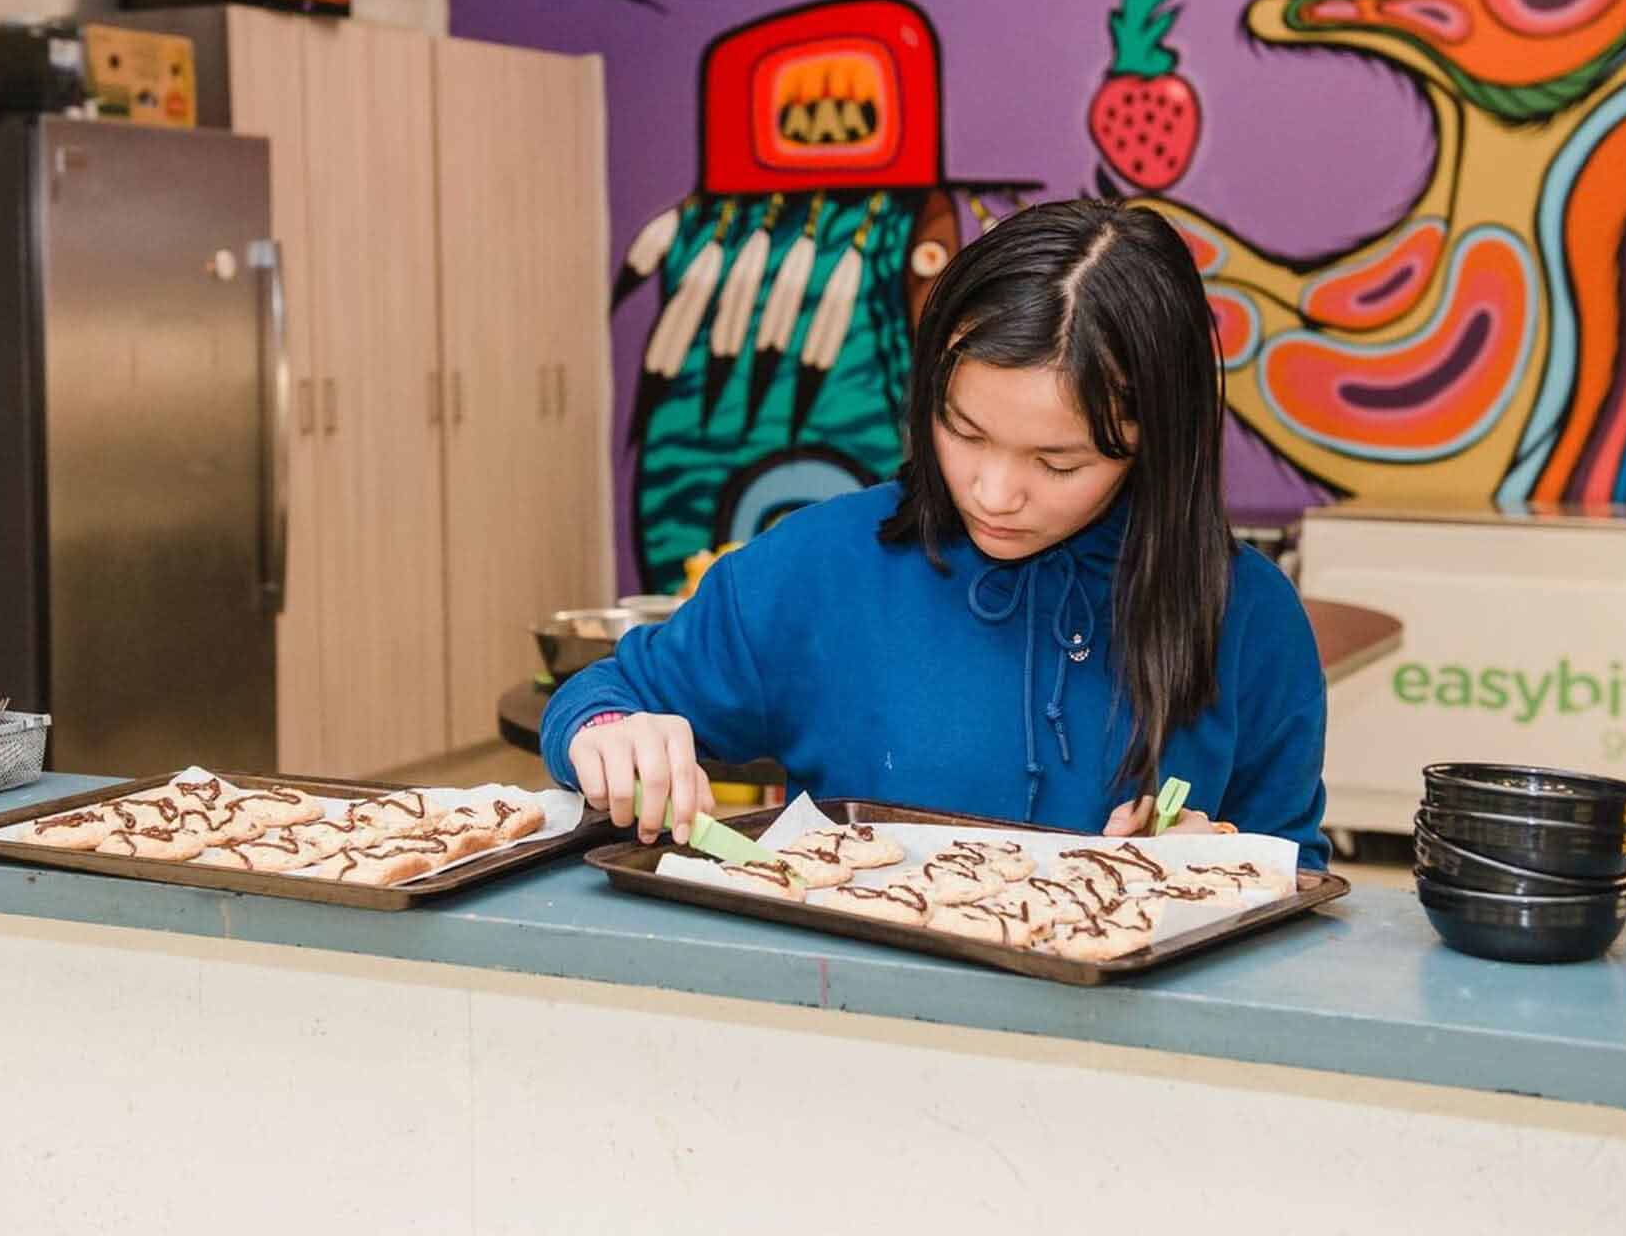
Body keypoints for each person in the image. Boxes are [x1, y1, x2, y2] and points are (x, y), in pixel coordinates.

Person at [542, 199, 1328, 868]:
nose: (993, 494)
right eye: (963, 430)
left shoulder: (1245, 616)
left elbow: (1295, 867)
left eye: (1057, 464)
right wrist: (611, 734)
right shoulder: (820, 566)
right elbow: (605, 694)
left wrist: (1229, 863)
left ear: (1156, 438)